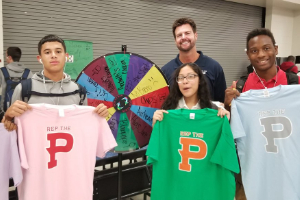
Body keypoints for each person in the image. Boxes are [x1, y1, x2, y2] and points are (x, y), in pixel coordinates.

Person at [224, 28, 300, 200]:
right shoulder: (241, 88)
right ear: (248, 55)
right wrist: (228, 106)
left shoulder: (294, 84)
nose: (261, 54)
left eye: (266, 48)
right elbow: (230, 131)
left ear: (276, 49)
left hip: (290, 168)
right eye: (254, 51)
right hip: (255, 168)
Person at [2, 35, 108, 131]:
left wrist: (98, 115)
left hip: (71, 151)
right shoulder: (24, 89)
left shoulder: (79, 91)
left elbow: (85, 126)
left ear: (66, 56)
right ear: (40, 58)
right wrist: (7, 117)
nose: (53, 56)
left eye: (58, 51)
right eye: (47, 52)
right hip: (36, 152)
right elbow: (11, 126)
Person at [161, 17, 227, 102]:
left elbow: (221, 103)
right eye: (179, 35)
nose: (183, 37)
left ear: (195, 36)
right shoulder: (166, 71)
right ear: (175, 40)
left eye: (187, 33)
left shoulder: (214, 67)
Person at [153, 62, 229, 126]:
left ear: (200, 80)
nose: (185, 81)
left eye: (190, 76)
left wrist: (224, 119)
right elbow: (161, 138)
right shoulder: (168, 110)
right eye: (180, 78)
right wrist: (155, 124)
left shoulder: (213, 109)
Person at [0, 47, 33, 119]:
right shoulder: (28, 72)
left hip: (5, 114)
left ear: (9, 57)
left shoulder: (2, 71)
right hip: (23, 114)